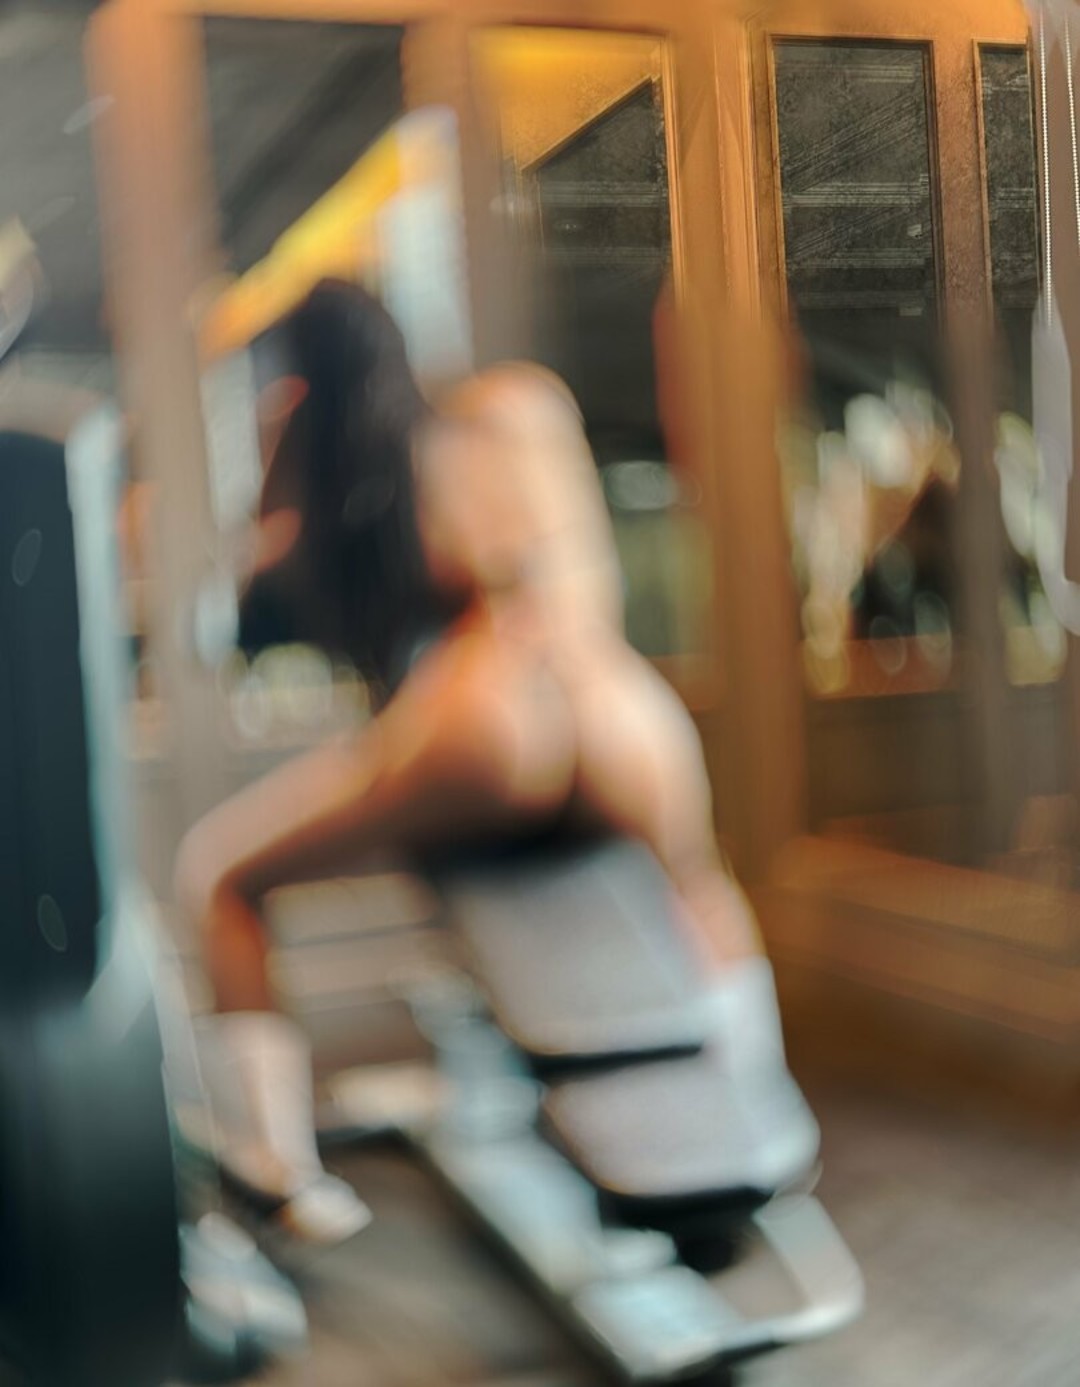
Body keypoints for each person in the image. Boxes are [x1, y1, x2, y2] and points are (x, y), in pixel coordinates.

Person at [175, 279, 760, 1240]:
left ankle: (280, 1175)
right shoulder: (518, 408)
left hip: (479, 726)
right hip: (622, 718)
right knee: (700, 884)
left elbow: (242, 597)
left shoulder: (352, 464)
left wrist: (286, 437)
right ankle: (761, 1132)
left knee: (219, 878)